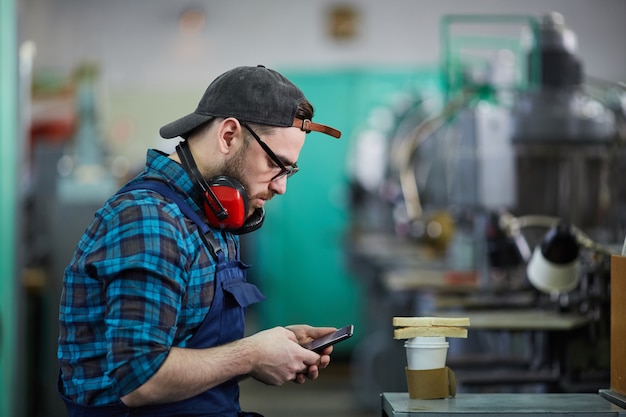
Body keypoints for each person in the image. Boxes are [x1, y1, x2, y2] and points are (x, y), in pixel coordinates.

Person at [57, 64, 343, 417]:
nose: (281, 186)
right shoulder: (150, 219)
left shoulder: (213, 217)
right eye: (277, 165)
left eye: (289, 171)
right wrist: (250, 354)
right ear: (228, 136)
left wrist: (272, 349)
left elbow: (187, 342)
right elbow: (138, 378)